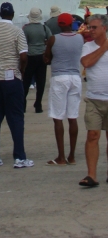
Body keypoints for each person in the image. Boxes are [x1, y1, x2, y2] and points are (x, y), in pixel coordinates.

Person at [0, 2, 34, 169]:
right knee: (16, 118)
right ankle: (19, 157)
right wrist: (21, 71)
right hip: (12, 79)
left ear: (0, 14)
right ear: (13, 14)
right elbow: (23, 56)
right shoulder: (18, 31)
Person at [43, 12, 84, 166]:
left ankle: (61, 157)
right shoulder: (79, 38)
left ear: (59, 24)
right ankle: (71, 156)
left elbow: (47, 58)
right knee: (73, 117)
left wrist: (47, 57)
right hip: (75, 77)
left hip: (59, 77)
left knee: (58, 117)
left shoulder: (54, 39)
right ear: (71, 23)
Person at [78, 14, 108, 187]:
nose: (91, 30)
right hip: (94, 99)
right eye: (90, 27)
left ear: (104, 28)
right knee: (92, 135)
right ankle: (91, 175)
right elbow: (87, 63)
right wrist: (104, 48)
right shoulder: (88, 46)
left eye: (94, 27)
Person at [22, 8, 51, 113]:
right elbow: (51, 40)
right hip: (41, 57)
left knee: (26, 80)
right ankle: (38, 104)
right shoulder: (44, 28)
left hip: (29, 56)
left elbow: (23, 43)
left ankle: (23, 103)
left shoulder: (26, 29)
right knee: (41, 81)